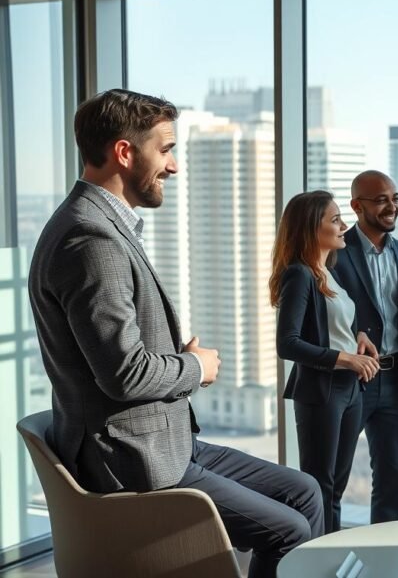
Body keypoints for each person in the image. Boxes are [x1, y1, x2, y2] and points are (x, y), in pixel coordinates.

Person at [28, 89, 323, 578]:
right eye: (165, 150)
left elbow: (114, 351)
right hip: (133, 458)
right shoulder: (91, 240)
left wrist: (173, 357)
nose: (174, 166)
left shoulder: (100, 225)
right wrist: (196, 368)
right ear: (125, 152)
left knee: (304, 491)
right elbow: (123, 376)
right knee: (288, 529)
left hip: (162, 440)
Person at [271, 190, 381, 533]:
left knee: (335, 489)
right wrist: (345, 358)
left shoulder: (328, 273)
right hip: (322, 392)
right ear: (309, 228)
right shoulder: (299, 275)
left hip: (350, 390)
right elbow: (287, 344)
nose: (344, 226)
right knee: (319, 488)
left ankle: (328, 557)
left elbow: (333, 325)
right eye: (335, 220)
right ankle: (313, 559)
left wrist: (358, 337)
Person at [333, 170, 398, 523]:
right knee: (334, 481)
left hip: (395, 383)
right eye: (382, 200)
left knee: (392, 482)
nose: (392, 206)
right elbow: (327, 311)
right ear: (357, 206)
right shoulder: (337, 251)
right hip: (351, 379)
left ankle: (385, 556)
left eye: (396, 198)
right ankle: (327, 554)